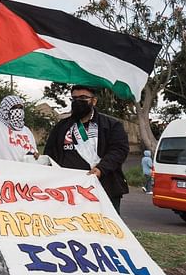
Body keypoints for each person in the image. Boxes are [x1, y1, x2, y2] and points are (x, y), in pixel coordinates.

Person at [44, 85, 129, 213]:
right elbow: (50, 154)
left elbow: (119, 150)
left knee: (106, 229)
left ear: (94, 101)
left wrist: (101, 169)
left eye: (83, 98)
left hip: (105, 187)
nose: (78, 101)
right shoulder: (61, 127)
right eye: (74, 98)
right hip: (69, 191)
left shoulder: (111, 125)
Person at [0, 94, 41, 162]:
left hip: (25, 171)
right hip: (3, 171)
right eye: (14, 108)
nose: (18, 111)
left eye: (20, 108)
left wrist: (34, 156)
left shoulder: (26, 130)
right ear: (5, 110)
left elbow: (34, 153)